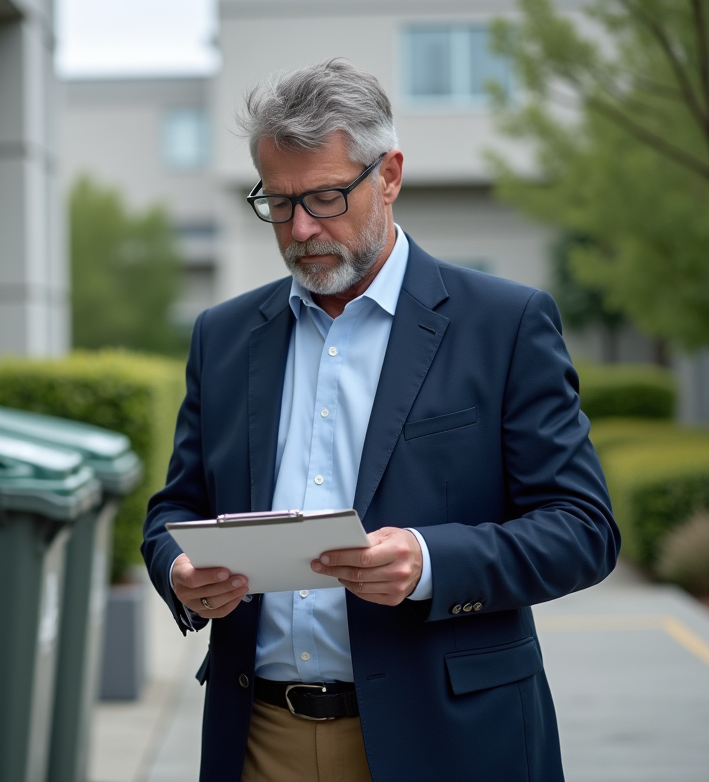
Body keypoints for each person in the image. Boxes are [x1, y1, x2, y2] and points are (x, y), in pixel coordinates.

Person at [141, 58, 618, 782]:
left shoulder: (505, 323)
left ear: (389, 174)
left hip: (449, 740)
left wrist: (429, 563)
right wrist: (177, 570)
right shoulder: (223, 336)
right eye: (278, 202)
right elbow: (174, 508)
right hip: (258, 738)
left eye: (328, 197)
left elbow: (584, 529)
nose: (302, 228)